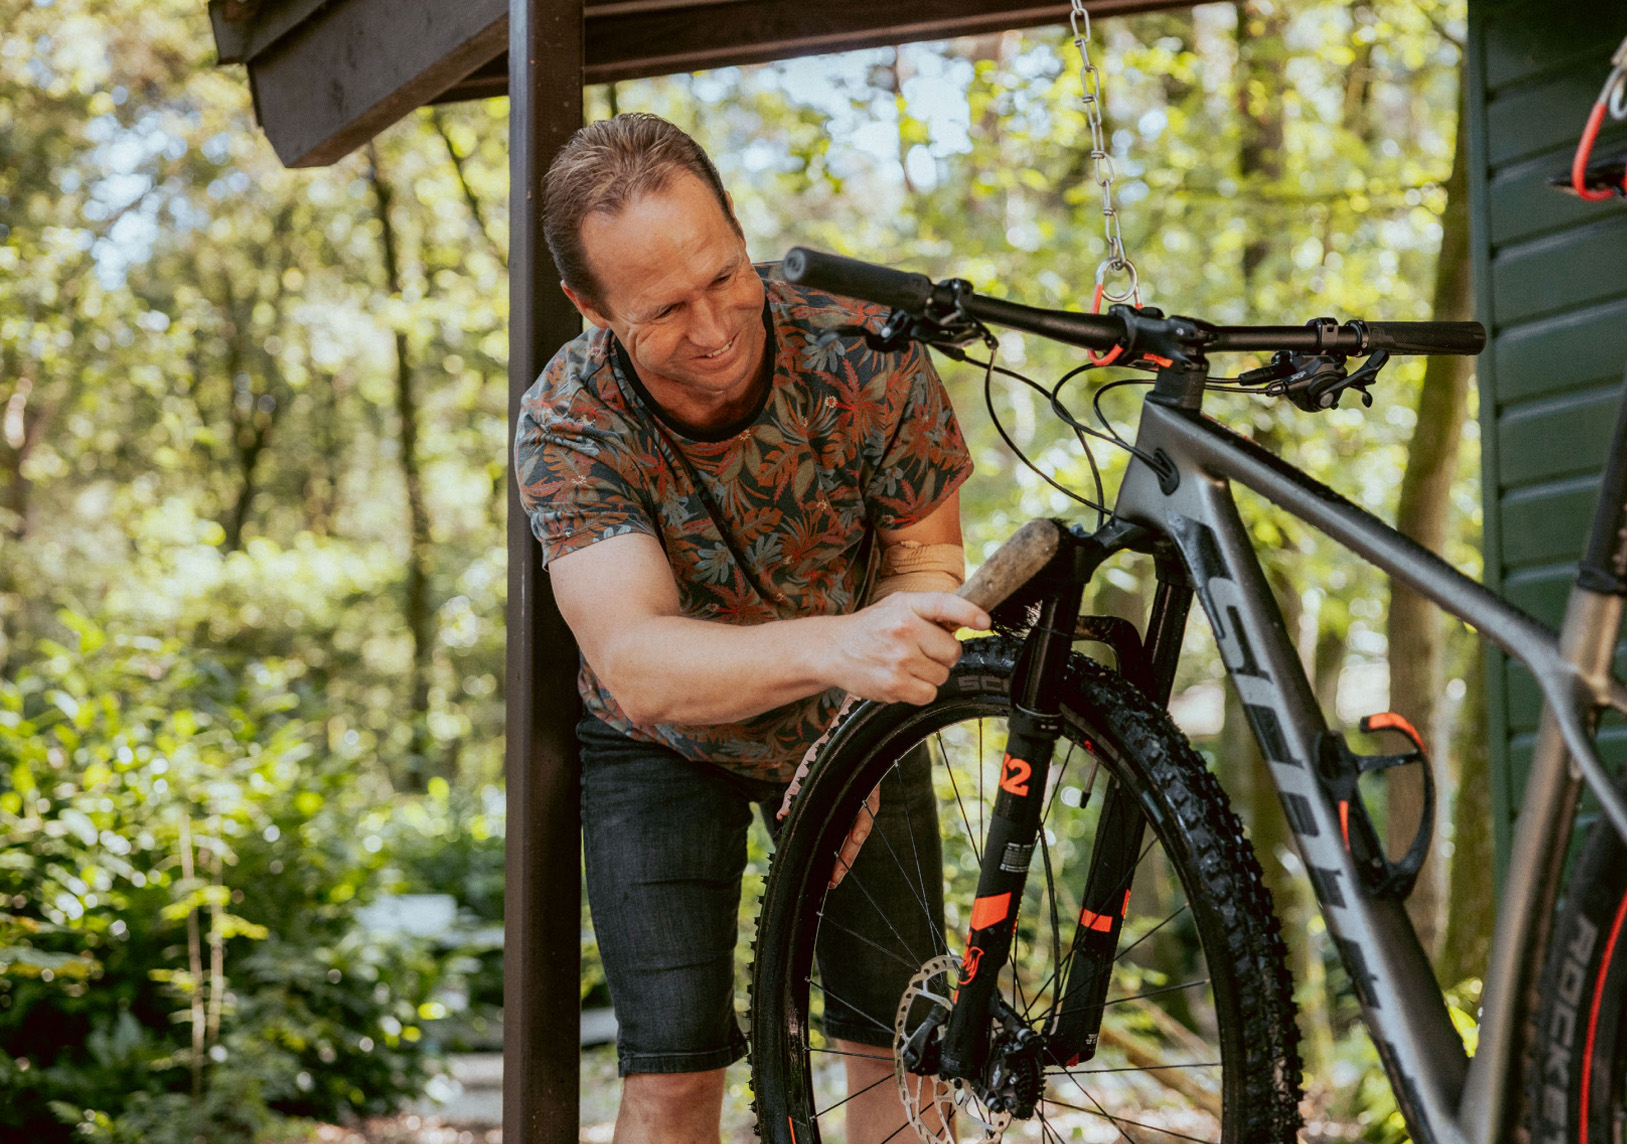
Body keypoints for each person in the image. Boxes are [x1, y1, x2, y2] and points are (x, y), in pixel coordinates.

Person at [513, 112, 985, 1144]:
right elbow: (637, 664)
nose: (717, 328)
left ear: (738, 228)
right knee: (675, 1075)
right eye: (665, 309)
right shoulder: (567, 422)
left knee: (900, 1055)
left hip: (865, 707)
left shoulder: (868, 335)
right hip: (664, 745)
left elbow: (922, 568)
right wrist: (835, 647)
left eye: (725, 276)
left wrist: (851, 737)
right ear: (589, 307)